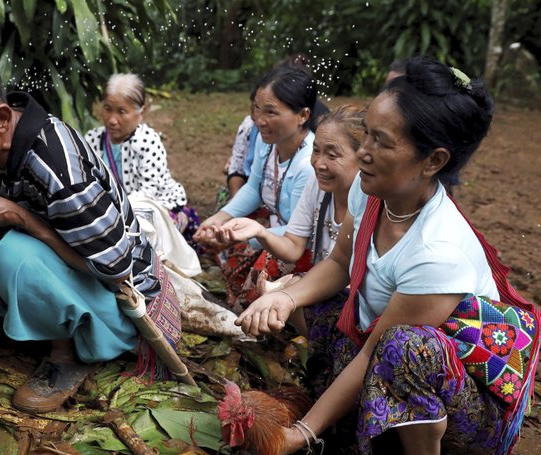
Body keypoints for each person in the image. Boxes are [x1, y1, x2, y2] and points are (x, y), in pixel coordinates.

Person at [236, 56, 541, 455]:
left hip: (461, 393)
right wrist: (286, 298)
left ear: (434, 160)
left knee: (404, 348)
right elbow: (340, 261)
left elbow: (375, 351)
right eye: (368, 134)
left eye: (380, 140)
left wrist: (300, 433)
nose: (362, 151)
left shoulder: (439, 251)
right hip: (381, 346)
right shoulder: (371, 186)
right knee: (310, 303)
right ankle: (364, 425)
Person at [0, 47, 181, 414]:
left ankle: (65, 354)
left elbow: (116, 270)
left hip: (116, 305)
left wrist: (21, 218)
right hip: (71, 273)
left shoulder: (56, 169)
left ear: (1, 118)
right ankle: (15, 320)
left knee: (14, 253)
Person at [215, 105, 365, 310]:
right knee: (272, 267)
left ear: (364, 157)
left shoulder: (372, 203)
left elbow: (346, 274)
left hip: (356, 298)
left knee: (287, 292)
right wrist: (260, 232)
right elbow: (293, 245)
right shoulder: (317, 184)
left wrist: (290, 288)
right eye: (316, 151)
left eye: (332, 155)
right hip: (322, 282)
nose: (319, 163)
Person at [194, 64, 321, 308]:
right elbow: (253, 188)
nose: (260, 121)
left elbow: (298, 235)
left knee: (256, 273)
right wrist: (220, 218)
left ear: (303, 115)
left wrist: (244, 235)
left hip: (301, 244)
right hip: (275, 228)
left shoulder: (309, 166)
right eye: (257, 110)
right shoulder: (268, 143)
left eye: (271, 112)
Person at [85, 73, 201, 274]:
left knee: (141, 229)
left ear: (141, 112)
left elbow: (149, 192)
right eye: (107, 109)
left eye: (122, 111)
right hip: (114, 210)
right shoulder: (92, 140)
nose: (112, 120)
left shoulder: (147, 141)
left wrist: (116, 213)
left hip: (153, 205)